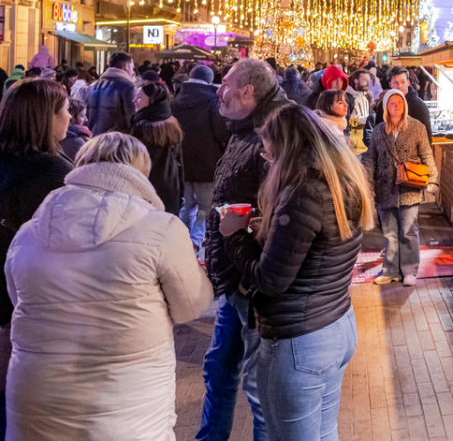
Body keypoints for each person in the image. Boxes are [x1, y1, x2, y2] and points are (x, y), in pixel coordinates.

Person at [5, 133, 212, 439]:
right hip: (123, 403)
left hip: (36, 395)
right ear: (140, 171)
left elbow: (19, 297)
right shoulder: (161, 229)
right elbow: (191, 306)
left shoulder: (28, 233)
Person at [219, 104, 373, 438]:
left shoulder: (302, 192)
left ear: (288, 150)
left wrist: (233, 236)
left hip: (300, 340)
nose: (269, 162)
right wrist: (273, 229)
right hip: (336, 323)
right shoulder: (340, 181)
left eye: (271, 155)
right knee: (323, 433)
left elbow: (269, 280)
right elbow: (318, 245)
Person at [197, 59, 290, 441]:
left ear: (248, 92)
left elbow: (282, 211)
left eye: (226, 84)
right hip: (232, 278)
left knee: (258, 389)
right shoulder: (242, 130)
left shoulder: (272, 135)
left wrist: (244, 236)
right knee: (219, 369)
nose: (219, 90)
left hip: (251, 285)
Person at [0, 79, 72, 428]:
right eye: (65, 110)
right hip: (27, 309)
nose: (70, 117)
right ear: (48, 118)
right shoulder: (54, 174)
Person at [361, 88, 437, 286]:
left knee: (408, 230)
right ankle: (391, 270)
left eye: (400, 103)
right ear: (386, 106)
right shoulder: (379, 130)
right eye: (392, 103)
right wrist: (368, 186)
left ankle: (410, 270)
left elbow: (427, 155)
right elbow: (370, 160)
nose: (396, 106)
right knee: (390, 232)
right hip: (384, 188)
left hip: (409, 188)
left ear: (405, 105)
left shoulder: (416, 127)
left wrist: (433, 180)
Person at [173, 64, 230, 257]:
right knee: (204, 208)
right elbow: (221, 132)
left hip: (182, 161)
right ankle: (195, 244)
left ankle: (178, 239)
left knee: (186, 204)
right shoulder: (211, 100)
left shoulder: (177, 99)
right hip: (207, 163)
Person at [131, 81, 185, 215]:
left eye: (139, 97)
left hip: (147, 190)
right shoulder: (171, 122)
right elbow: (180, 162)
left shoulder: (142, 128)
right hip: (171, 186)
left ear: (151, 101)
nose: (134, 100)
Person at [87, 51, 138, 134]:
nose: (133, 72)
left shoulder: (93, 85)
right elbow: (131, 118)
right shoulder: (127, 86)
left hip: (94, 138)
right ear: (126, 66)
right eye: (132, 68)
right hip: (115, 140)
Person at [345, 69, 372, 153]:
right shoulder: (348, 97)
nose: (368, 83)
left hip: (365, 147)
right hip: (352, 148)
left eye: (368, 80)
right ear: (356, 81)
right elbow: (346, 124)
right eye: (364, 80)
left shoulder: (366, 97)